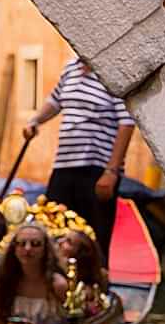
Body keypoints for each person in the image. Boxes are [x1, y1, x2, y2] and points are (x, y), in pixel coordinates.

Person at [23, 58, 135, 267]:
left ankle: (94, 292)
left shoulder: (112, 71)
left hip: (98, 170)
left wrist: (111, 172)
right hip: (64, 165)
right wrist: (35, 121)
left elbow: (127, 122)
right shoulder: (71, 67)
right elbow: (56, 101)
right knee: (53, 227)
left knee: (93, 239)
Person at [57, 229, 109, 304]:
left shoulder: (88, 290)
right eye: (63, 237)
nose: (59, 241)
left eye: (68, 242)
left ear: (81, 255)